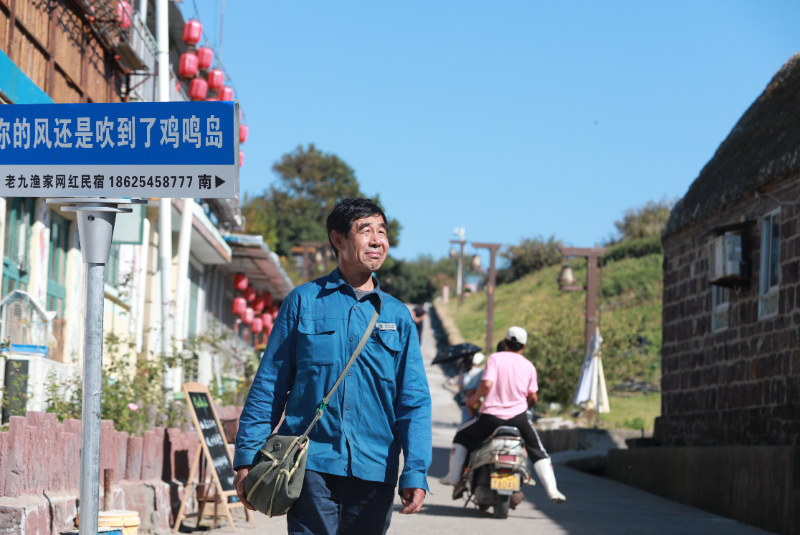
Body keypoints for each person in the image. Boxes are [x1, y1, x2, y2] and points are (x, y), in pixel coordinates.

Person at [234, 198, 432, 534]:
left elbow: (413, 400)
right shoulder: (304, 301)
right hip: (309, 465)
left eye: (382, 232)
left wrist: (415, 470)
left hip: (374, 468)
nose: (377, 240)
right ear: (338, 239)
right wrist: (247, 457)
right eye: (365, 230)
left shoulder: (397, 316)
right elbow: (270, 384)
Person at [439, 326, 566, 504]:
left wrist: (474, 399)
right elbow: (533, 397)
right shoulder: (529, 366)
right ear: (524, 346)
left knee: (462, 435)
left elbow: (486, 384)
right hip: (519, 419)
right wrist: (525, 407)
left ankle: (454, 476)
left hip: (490, 418)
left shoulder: (495, 359)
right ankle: (553, 490)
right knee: (538, 450)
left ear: (505, 342)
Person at [458, 352, 485, 423]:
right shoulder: (479, 372)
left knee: (465, 422)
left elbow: (460, 386)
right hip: (474, 400)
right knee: (473, 421)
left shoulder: (463, 371)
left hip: (465, 399)